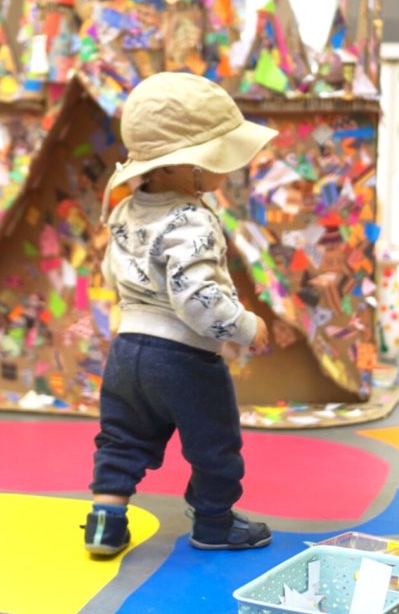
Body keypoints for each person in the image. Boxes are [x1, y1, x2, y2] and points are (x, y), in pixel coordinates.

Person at [84, 72, 278, 556]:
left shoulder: (126, 209)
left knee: (122, 436)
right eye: (219, 161)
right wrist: (246, 327)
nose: (228, 172)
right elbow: (196, 298)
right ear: (183, 168)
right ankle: (213, 524)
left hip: (127, 352)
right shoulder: (191, 218)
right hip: (184, 360)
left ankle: (105, 522)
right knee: (214, 445)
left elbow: (114, 271)